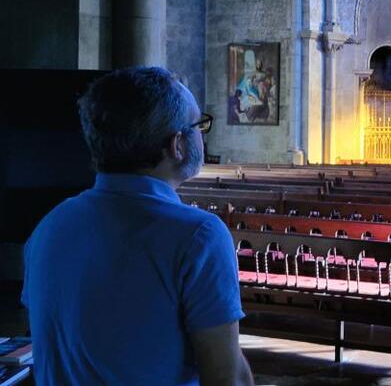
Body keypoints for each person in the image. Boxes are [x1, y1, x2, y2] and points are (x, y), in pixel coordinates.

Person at [21, 67, 254, 386]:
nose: (203, 134)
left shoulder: (49, 226)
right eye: (198, 125)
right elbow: (227, 378)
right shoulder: (198, 236)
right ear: (177, 145)